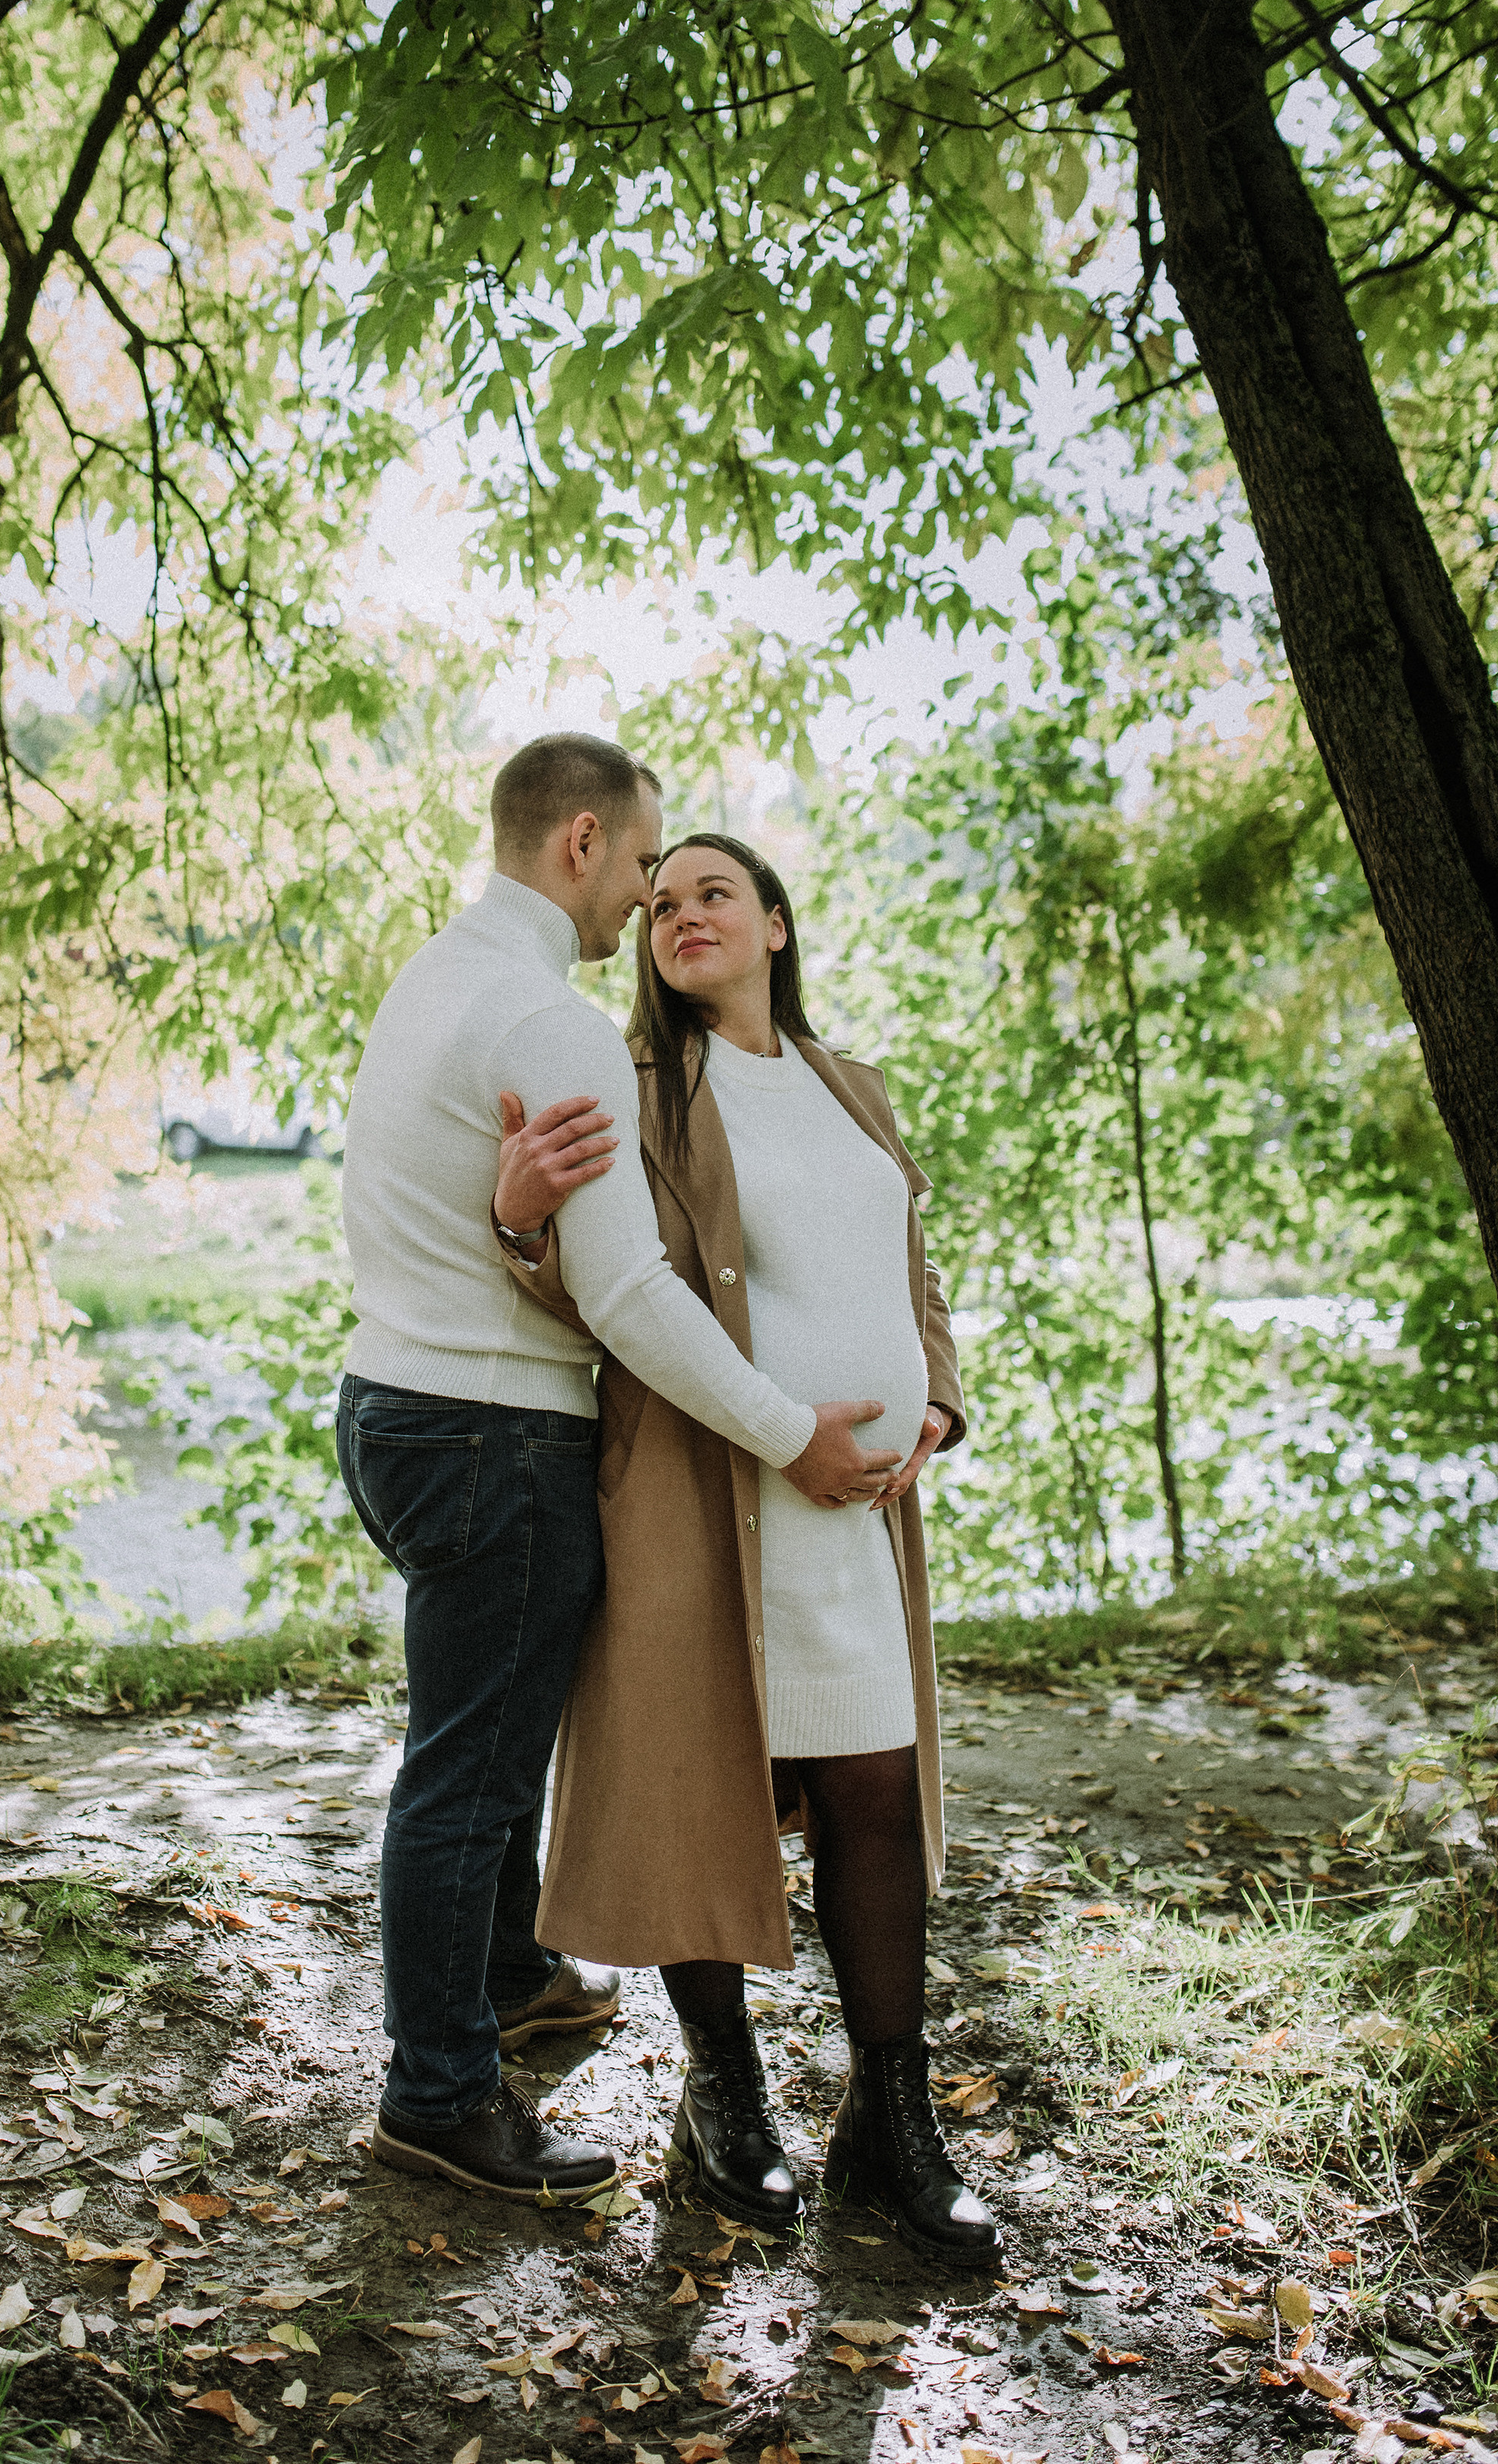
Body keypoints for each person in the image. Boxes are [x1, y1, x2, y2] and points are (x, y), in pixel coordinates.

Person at [336, 739, 907, 2205]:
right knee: (470, 1775)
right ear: (584, 843)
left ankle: (517, 1977)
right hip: (492, 1428)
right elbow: (641, 1297)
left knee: (482, 1745)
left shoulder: (439, 978)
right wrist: (794, 1434)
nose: (650, 900)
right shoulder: (565, 1026)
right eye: (648, 869)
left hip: (403, 1405)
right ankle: (440, 2095)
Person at [490, 831, 998, 2261]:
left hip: (863, 1511)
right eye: (657, 904)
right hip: (705, 1502)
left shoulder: (854, 1089)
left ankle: (892, 2129)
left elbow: (914, 1276)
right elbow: (596, 1285)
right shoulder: (641, 1090)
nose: (678, 916)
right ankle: (726, 2101)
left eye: (712, 893)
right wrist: (515, 1222)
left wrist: (937, 1409)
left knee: (875, 1801)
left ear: (777, 924)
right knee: (700, 1795)